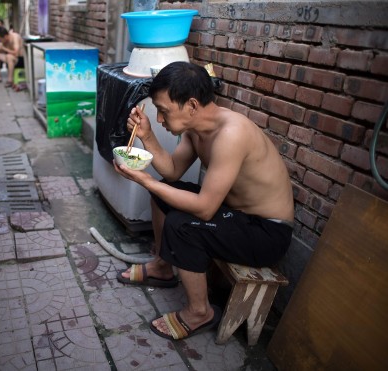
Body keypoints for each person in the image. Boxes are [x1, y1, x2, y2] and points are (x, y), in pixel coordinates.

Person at [114, 61, 294, 340]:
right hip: (236, 216)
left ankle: (200, 312)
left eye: (164, 111)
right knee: (165, 191)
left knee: (182, 224)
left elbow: (205, 209)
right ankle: (163, 267)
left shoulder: (231, 134)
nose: (160, 119)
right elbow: (173, 170)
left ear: (192, 105)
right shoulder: (196, 129)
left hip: (266, 233)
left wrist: (144, 179)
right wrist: (147, 137)